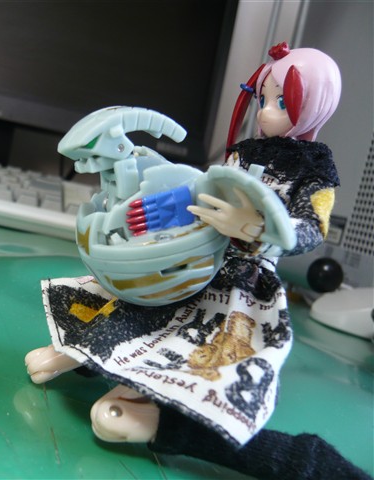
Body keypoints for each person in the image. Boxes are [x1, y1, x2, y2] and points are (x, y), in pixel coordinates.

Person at [26, 43, 371, 479]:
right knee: (144, 297)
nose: (266, 112)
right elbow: (203, 187)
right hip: (206, 251)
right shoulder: (245, 151)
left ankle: (154, 401)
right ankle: (82, 351)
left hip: (246, 277)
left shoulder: (316, 172)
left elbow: (311, 230)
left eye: (282, 102)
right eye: (263, 98)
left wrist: (257, 226)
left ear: (314, 106)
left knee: (199, 342)